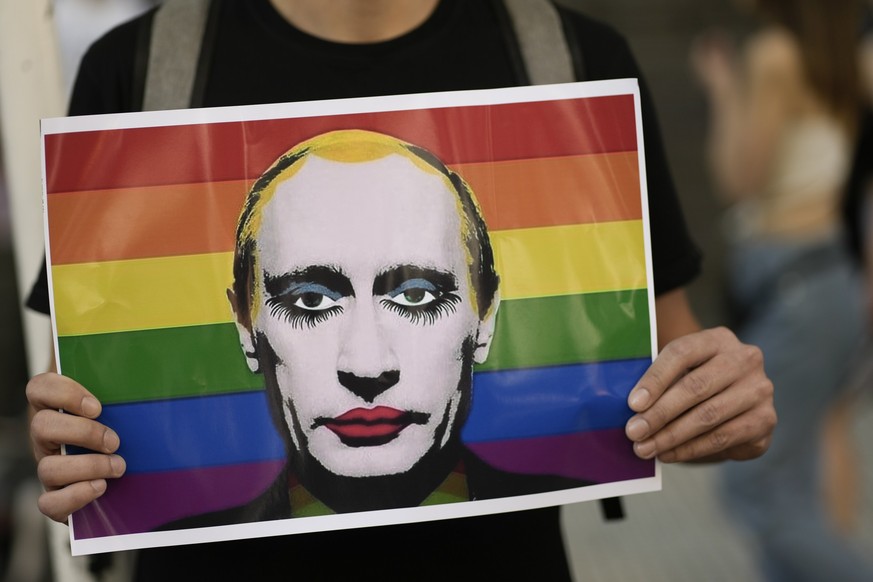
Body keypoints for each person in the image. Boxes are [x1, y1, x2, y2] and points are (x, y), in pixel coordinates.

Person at [26, 1, 776, 579]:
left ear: (485, 314)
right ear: (245, 324)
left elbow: (669, 374)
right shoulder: (139, 68)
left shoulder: (574, 62)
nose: (366, 362)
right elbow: (80, 408)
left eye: (416, 295)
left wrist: (715, 405)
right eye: (310, 301)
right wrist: (71, 450)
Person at [692, 0, 871, 580]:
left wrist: (722, 89)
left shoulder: (774, 53)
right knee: (802, 473)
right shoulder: (846, 59)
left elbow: (740, 179)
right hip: (830, 276)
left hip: (792, 283)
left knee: (756, 489)